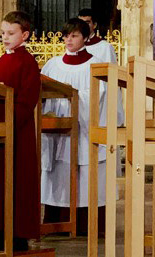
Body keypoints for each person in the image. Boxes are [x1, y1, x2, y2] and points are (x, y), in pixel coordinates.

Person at [40, 17, 113, 236]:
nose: (68, 40)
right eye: (66, 36)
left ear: (85, 37)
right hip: (58, 132)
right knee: (60, 175)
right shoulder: (53, 64)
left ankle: (85, 225)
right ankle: (58, 223)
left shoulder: (96, 65)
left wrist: (71, 98)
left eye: (74, 36)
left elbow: (101, 97)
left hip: (85, 130)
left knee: (86, 175)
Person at [0, 11, 42, 252]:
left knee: (17, 181)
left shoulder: (27, 62)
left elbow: (27, 100)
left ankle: (18, 234)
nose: (5, 37)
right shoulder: (0, 61)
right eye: (3, 32)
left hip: (17, 133)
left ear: (24, 34)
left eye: (10, 33)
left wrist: (8, 122)